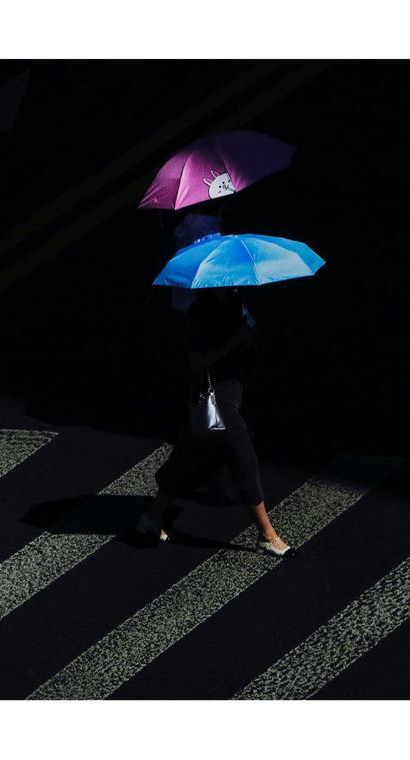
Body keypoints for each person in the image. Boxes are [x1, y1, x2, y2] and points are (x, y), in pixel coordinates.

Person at [135, 213, 290, 557]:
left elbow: (247, 342)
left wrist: (248, 341)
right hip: (213, 397)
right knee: (243, 460)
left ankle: (151, 518)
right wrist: (235, 341)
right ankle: (267, 534)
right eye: (229, 278)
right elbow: (195, 362)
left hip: (229, 392)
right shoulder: (200, 311)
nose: (235, 281)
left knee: (194, 458)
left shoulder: (233, 303)